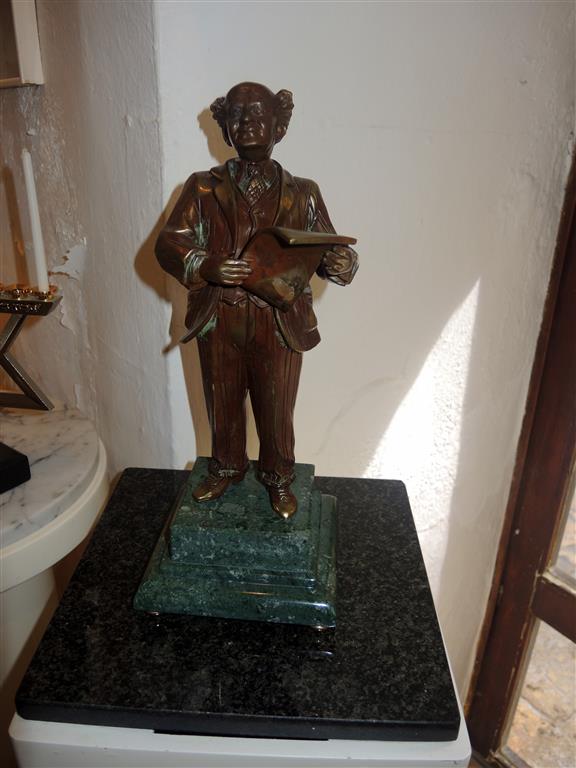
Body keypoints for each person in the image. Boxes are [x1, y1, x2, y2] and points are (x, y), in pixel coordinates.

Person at [156, 82, 358, 519]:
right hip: (220, 317)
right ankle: (226, 466)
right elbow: (169, 244)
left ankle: (279, 476)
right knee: (222, 400)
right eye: (236, 115)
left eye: (258, 114)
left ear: (279, 126)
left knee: (276, 407)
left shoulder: (303, 192)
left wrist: (341, 263)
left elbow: (326, 247)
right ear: (225, 129)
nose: (247, 122)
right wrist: (205, 264)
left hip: (278, 320)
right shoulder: (202, 188)